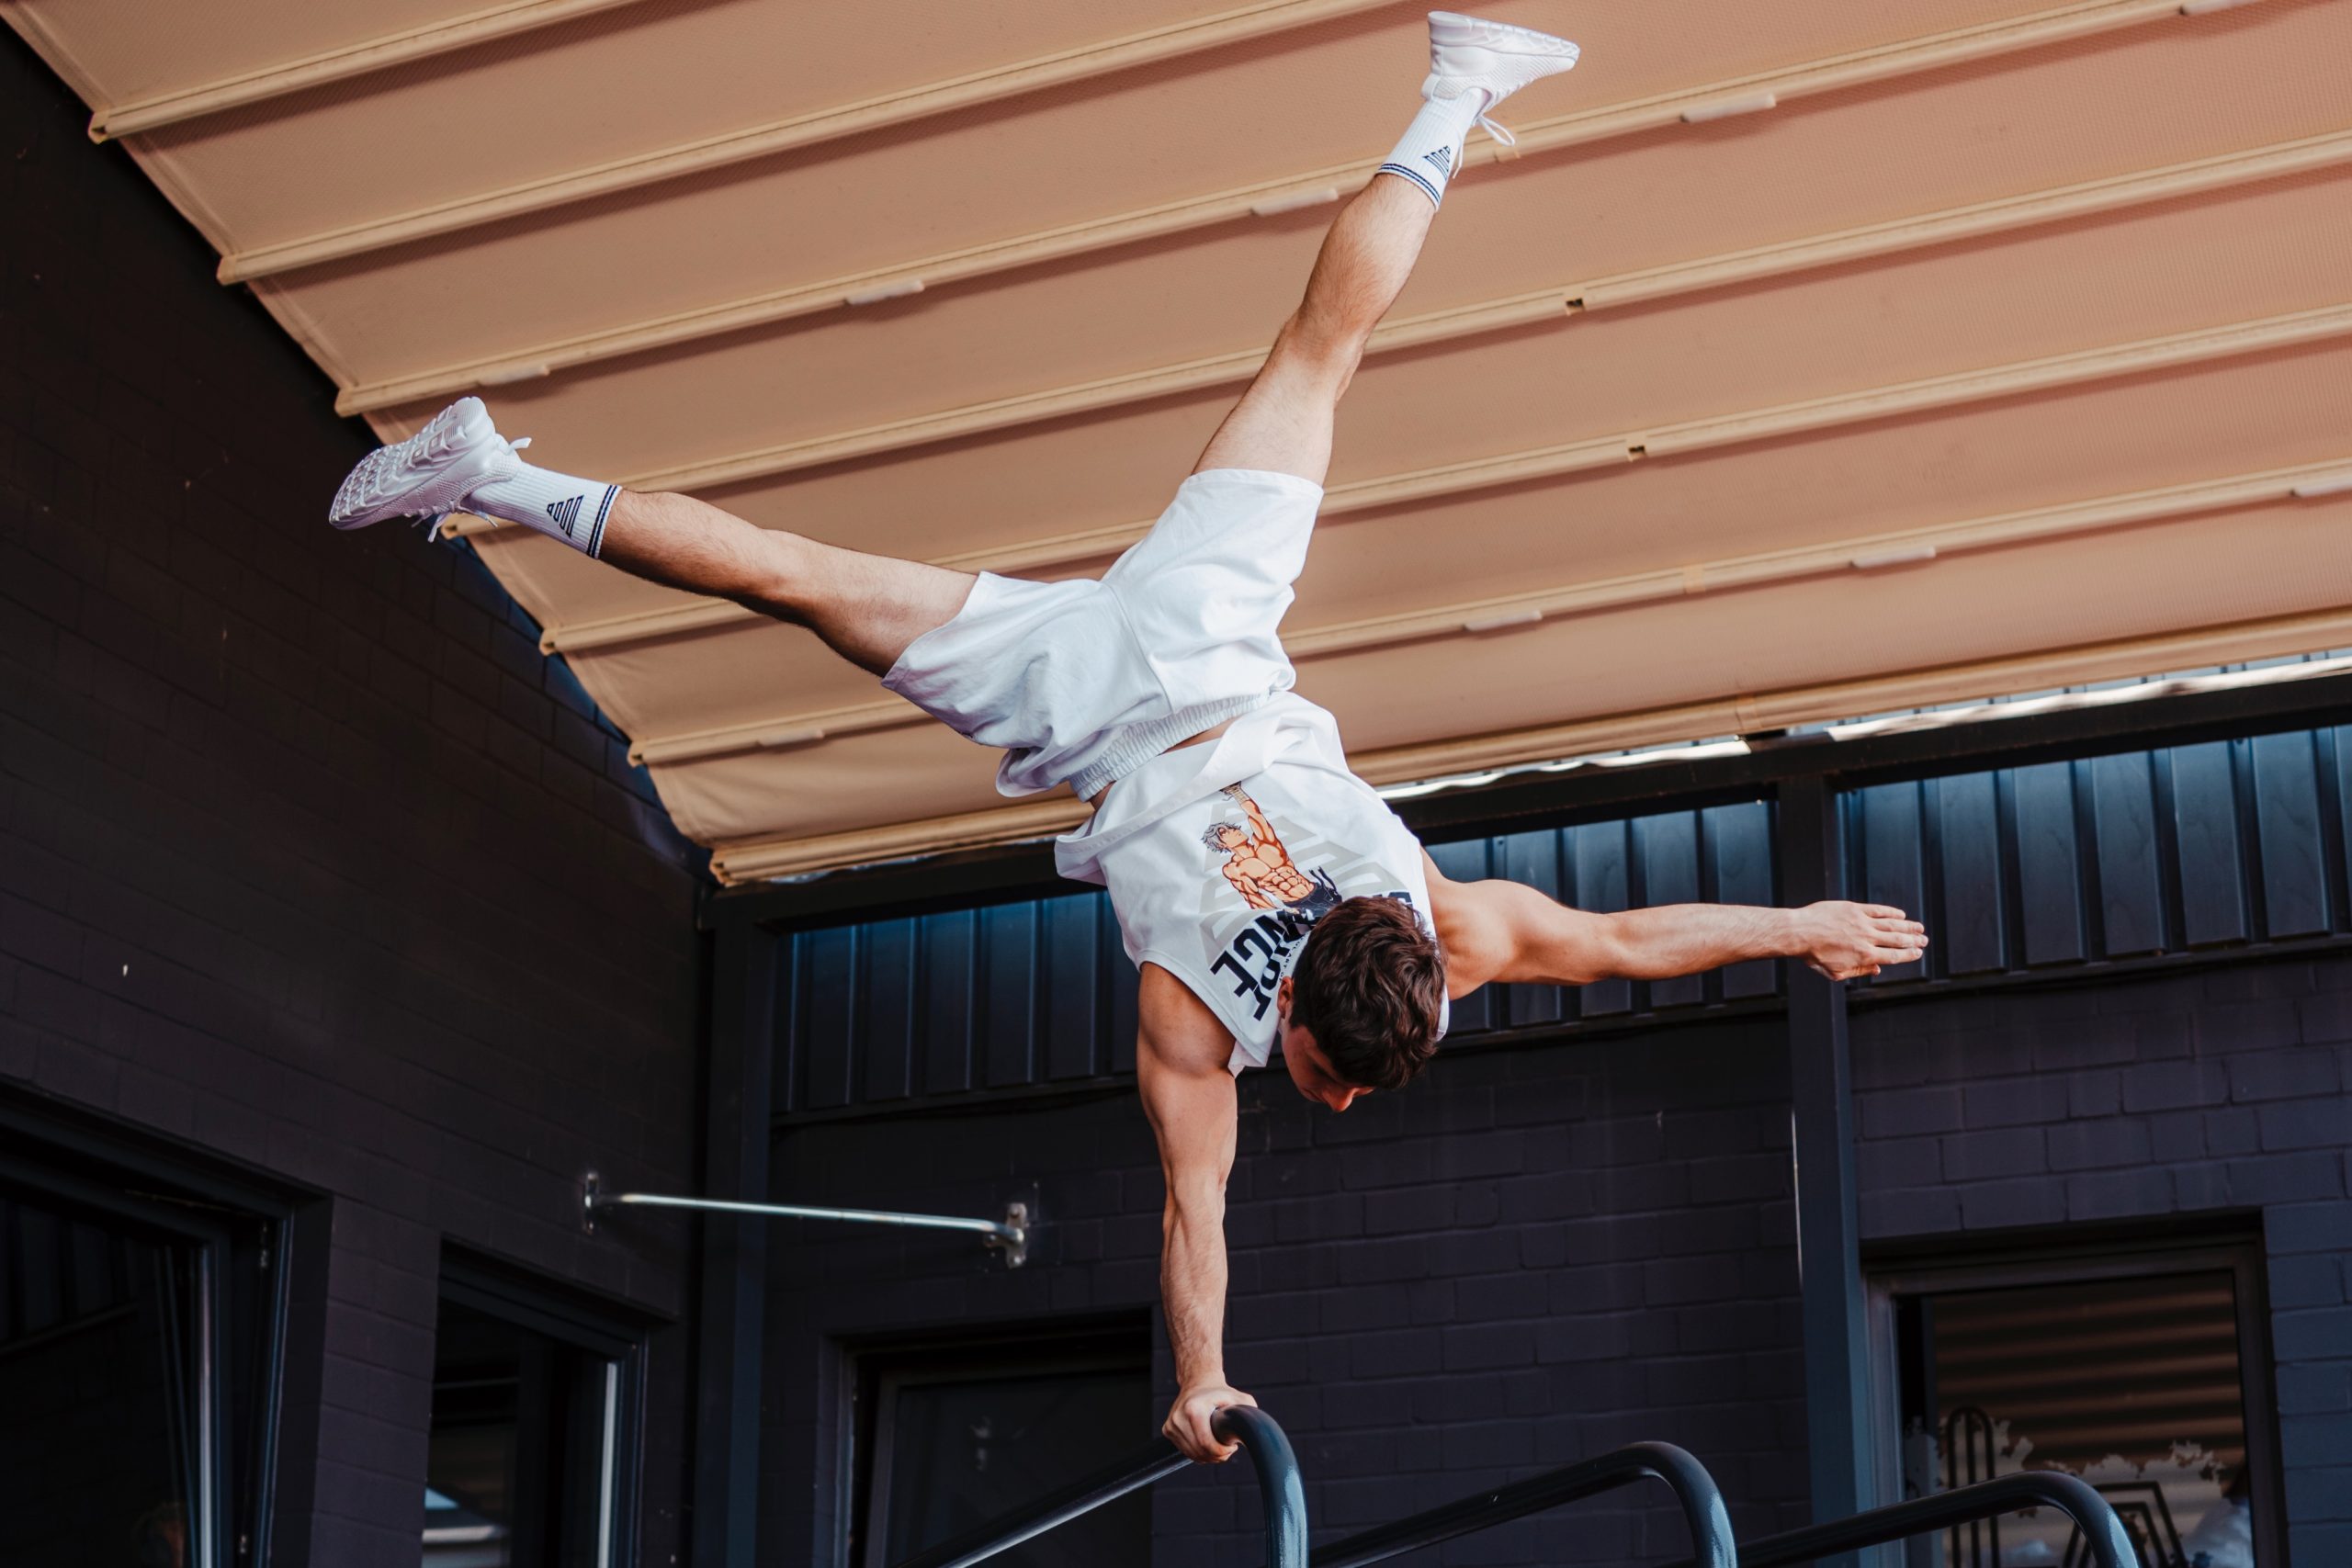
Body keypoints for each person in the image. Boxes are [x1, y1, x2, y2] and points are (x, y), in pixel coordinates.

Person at [330, 12, 1928, 1463]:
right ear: (1297, 1010)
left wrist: (1801, 928)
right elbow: (1195, 1210)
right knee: (800, 584)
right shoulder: (1189, 1013)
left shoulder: (1443, 928)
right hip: (1086, 698)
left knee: (1314, 358)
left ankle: (1457, 82)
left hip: (1203, 632)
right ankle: (493, 483)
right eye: (1330, 1073)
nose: (1343, 1101)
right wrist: (1198, 1372)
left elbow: (1635, 938)